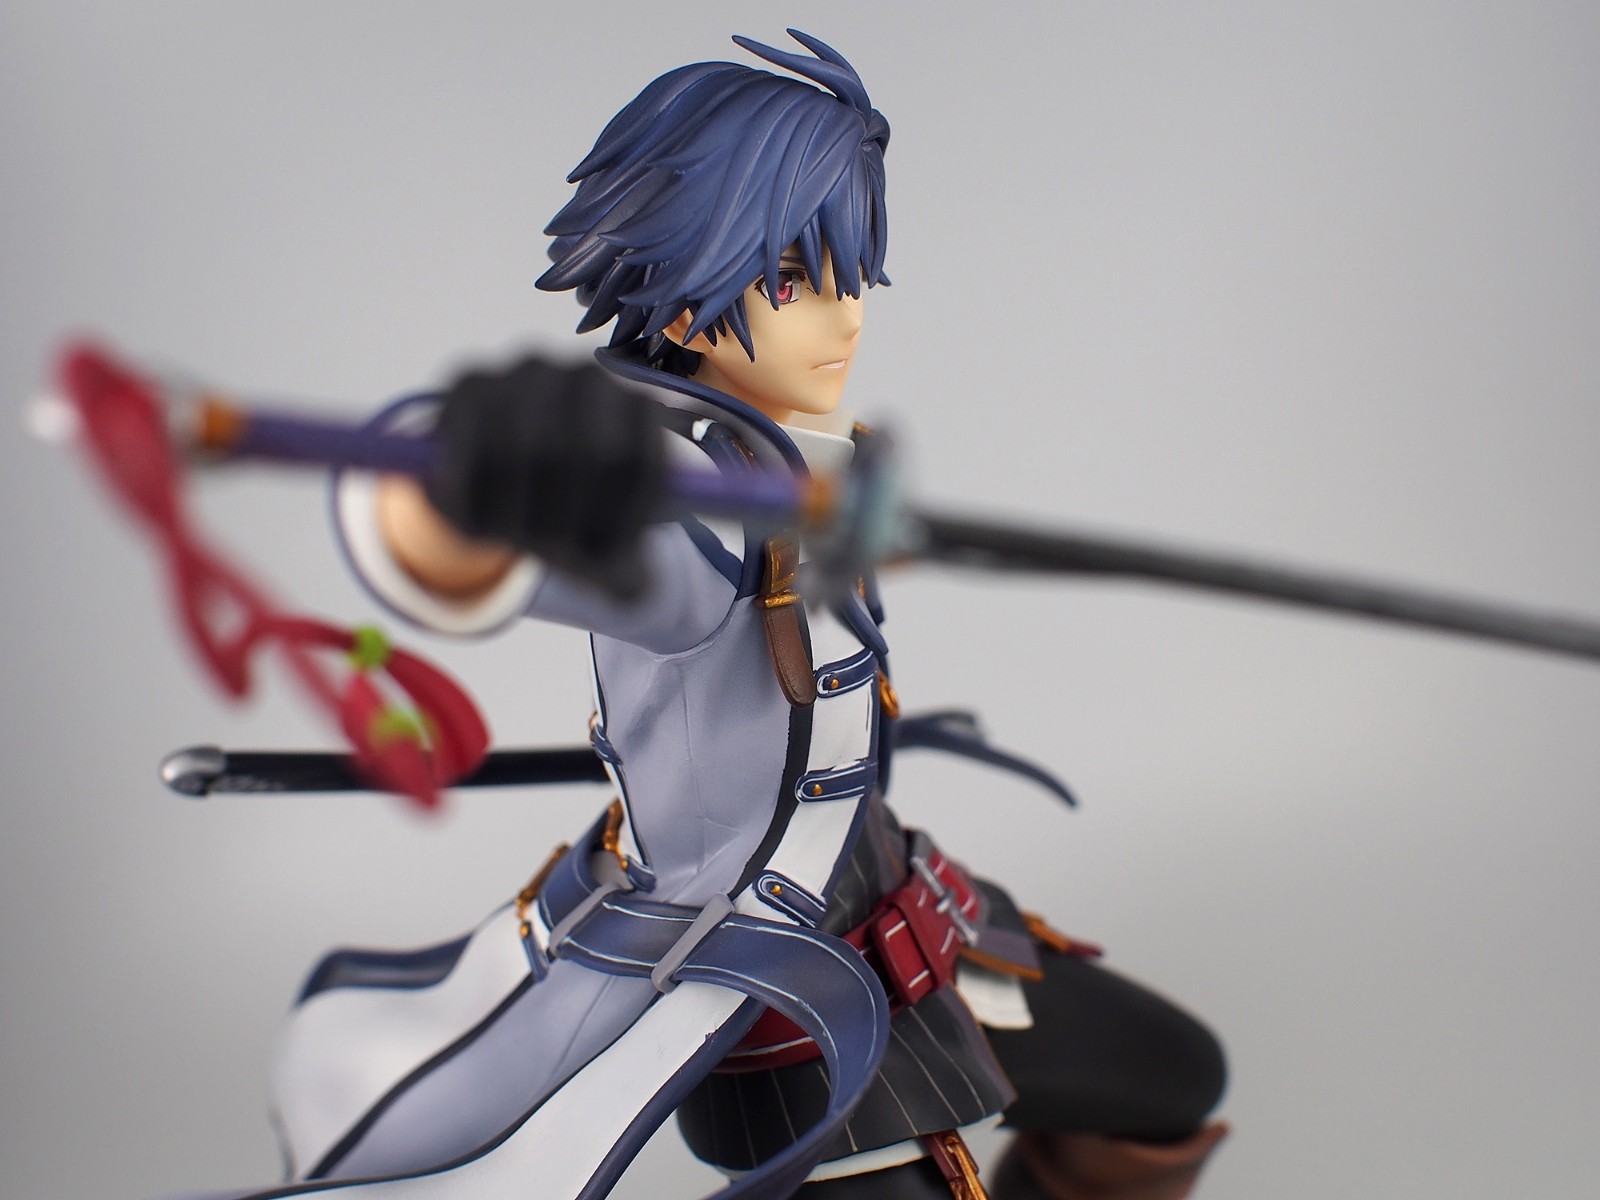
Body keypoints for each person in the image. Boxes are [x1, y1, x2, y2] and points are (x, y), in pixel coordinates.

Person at [252, 30, 1227, 1200]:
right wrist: (460, 484)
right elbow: (480, 543)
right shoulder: (675, 509)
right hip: (780, 997)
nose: (844, 320)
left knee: (1172, 1078)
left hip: (903, 914)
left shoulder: (779, 461)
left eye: (850, 276)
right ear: (683, 300)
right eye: (791, 282)